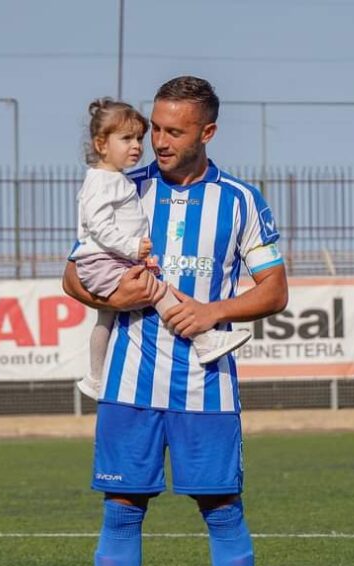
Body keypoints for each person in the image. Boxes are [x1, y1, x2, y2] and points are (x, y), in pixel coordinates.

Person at [60, 76, 288, 566]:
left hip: (206, 384)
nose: (156, 140)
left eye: (172, 130)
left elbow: (274, 290)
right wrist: (111, 290)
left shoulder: (239, 200)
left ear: (207, 133)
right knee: (123, 508)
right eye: (153, 128)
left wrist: (215, 313)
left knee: (221, 509)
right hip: (130, 385)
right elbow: (72, 276)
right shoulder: (121, 186)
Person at [71, 98, 251, 399]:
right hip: (104, 261)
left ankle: (95, 377)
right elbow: (98, 227)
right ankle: (203, 340)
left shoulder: (115, 180)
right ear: (101, 144)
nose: (138, 146)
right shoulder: (102, 183)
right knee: (157, 291)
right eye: (127, 138)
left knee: (106, 317)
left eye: (139, 138)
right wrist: (132, 248)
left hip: (111, 260)